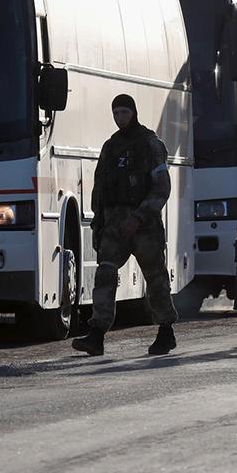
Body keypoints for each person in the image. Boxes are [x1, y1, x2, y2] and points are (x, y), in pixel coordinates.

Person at [71, 94, 178, 356]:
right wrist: (99, 224)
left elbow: (162, 187)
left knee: (155, 279)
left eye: (124, 113)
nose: (120, 118)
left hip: (144, 225)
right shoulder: (111, 147)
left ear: (134, 113)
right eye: (116, 113)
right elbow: (99, 190)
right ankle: (96, 334)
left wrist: (139, 217)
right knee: (105, 274)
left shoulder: (150, 144)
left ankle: (166, 331)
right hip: (114, 224)